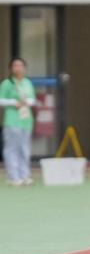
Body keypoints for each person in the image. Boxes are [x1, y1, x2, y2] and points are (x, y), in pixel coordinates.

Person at [0, 58, 36, 186]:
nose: (18, 68)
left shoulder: (27, 83)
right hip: (12, 120)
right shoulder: (7, 83)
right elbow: (1, 100)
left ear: (24, 68)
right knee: (11, 149)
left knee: (24, 148)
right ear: (11, 68)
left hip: (26, 120)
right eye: (15, 66)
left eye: (20, 66)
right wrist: (13, 103)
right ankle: (13, 176)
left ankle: (24, 175)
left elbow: (32, 99)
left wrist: (27, 102)